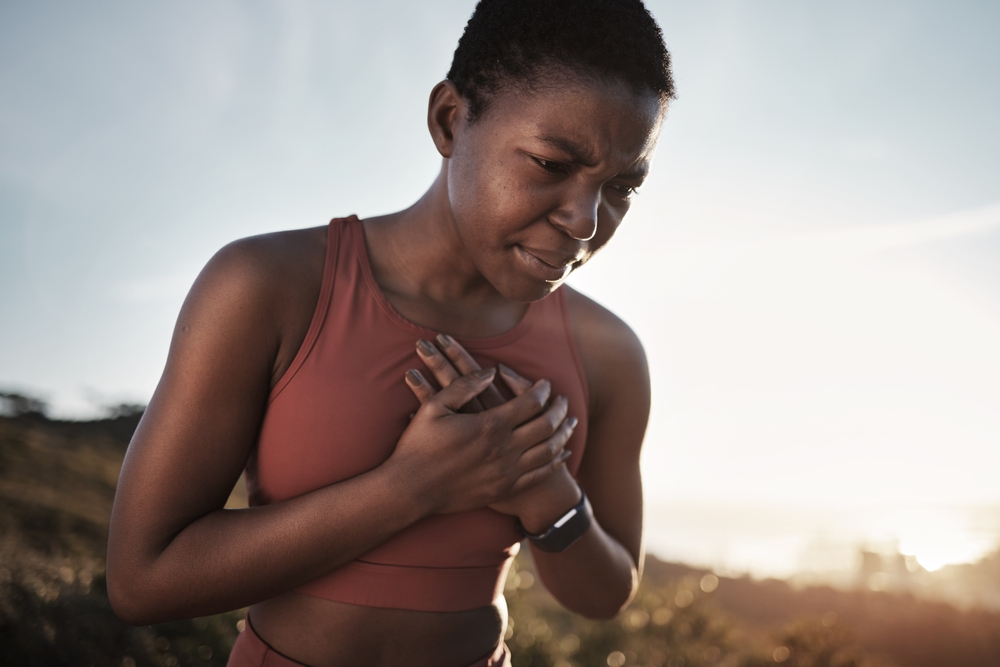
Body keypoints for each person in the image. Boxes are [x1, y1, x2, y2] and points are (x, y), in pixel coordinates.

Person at [107, 1, 675, 665]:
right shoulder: (268, 286)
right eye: (552, 164)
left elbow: (604, 594)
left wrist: (545, 493)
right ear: (450, 120)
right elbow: (142, 580)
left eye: (622, 185)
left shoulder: (608, 355)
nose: (585, 220)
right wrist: (412, 486)